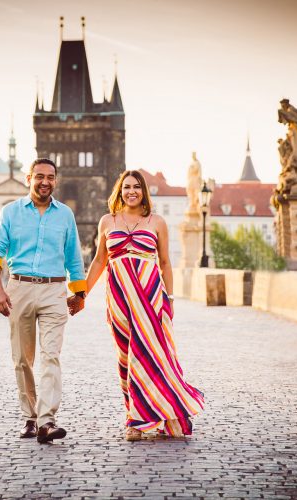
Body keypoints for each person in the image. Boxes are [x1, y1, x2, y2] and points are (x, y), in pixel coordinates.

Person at [82, 170, 204, 441]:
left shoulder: (157, 222)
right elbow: (100, 261)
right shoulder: (107, 221)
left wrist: (169, 300)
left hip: (150, 296)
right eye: (126, 187)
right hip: (118, 297)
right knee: (126, 357)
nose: (131, 191)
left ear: (144, 192)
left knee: (152, 355)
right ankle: (136, 412)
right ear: (119, 191)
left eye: (137, 187)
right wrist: (82, 294)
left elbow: (165, 264)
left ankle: (137, 422)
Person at [0, 158, 87, 444]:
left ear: (55, 180)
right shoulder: (10, 213)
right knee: (22, 359)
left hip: (54, 290)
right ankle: (30, 416)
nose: (45, 182)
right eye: (39, 176)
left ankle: (46, 420)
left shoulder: (65, 214)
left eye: (51, 177)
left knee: (51, 355)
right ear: (28, 178)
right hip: (19, 288)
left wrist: (79, 293)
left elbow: (74, 257)